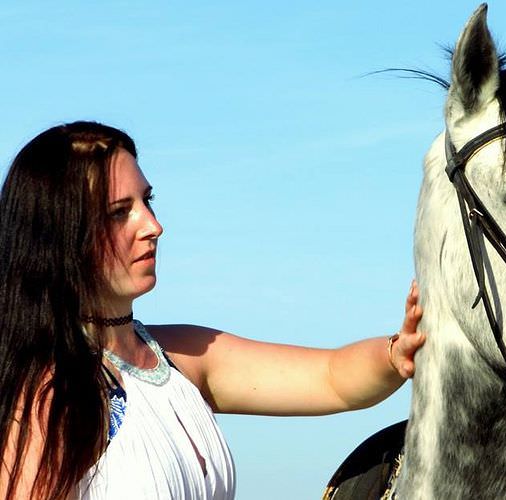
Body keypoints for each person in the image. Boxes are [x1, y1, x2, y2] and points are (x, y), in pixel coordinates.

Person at [0, 121, 425, 499]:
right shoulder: (48, 398)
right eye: (118, 213)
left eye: (147, 201)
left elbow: (332, 379)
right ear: (57, 237)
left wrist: (397, 353)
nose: (152, 225)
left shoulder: (181, 357)